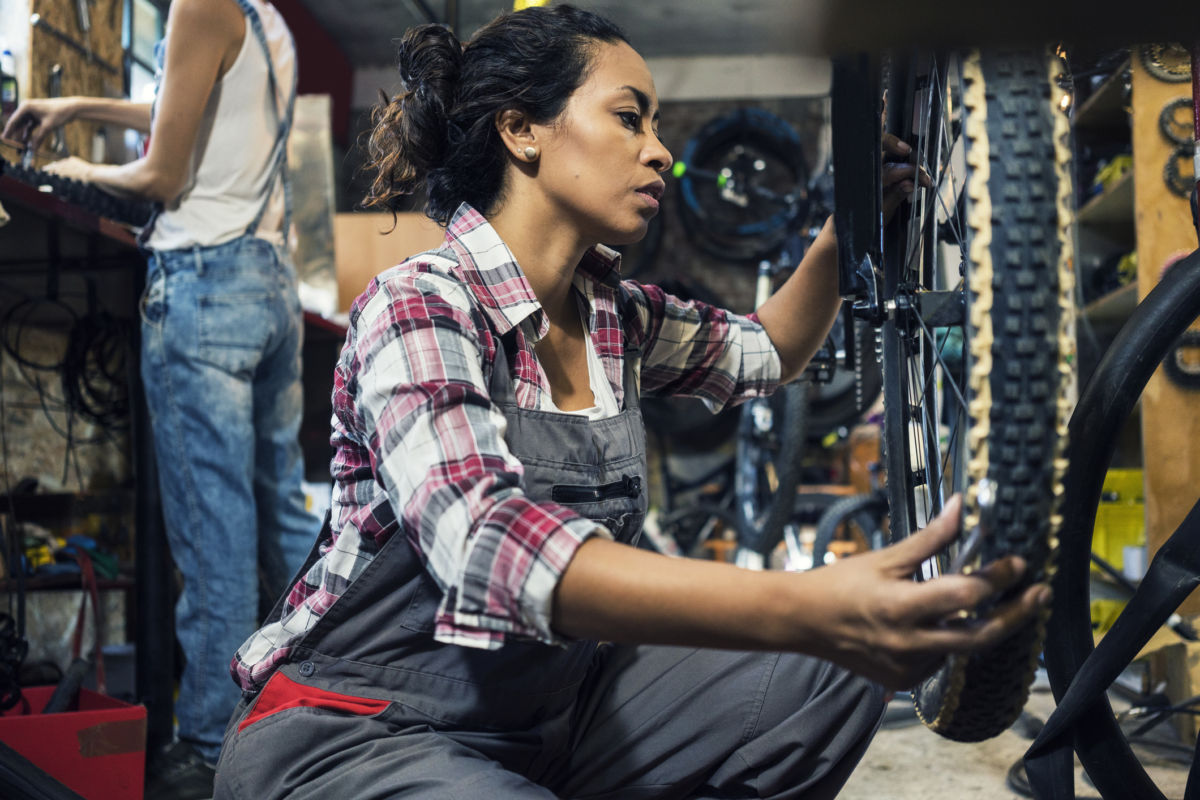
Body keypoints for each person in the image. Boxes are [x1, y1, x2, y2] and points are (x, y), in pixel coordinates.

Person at [214, 6, 1051, 799]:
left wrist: (844, 234)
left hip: (549, 716)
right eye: (630, 117)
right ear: (521, 131)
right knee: (815, 629)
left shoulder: (616, 316)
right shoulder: (422, 304)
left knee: (833, 669)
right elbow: (483, 543)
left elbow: (769, 350)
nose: (660, 152)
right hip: (360, 730)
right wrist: (805, 602)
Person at [2, 0, 319, 796]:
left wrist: (63, 171)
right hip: (267, 283)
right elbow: (188, 104)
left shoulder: (197, 4)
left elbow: (162, 175)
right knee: (279, 515)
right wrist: (79, 105)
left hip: (204, 284)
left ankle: (213, 742)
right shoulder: (263, 16)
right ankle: (306, 707)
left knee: (214, 540)